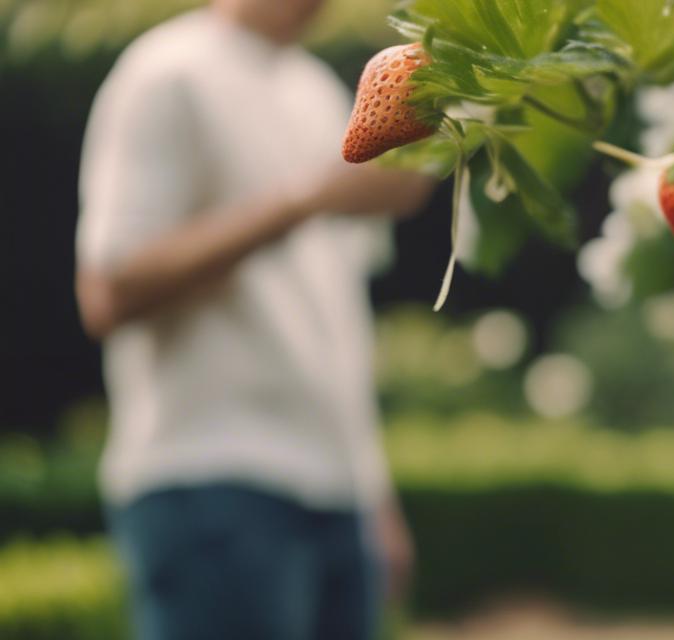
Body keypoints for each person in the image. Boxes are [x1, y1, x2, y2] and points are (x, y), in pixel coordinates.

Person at [73, 0, 435, 637]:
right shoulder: (167, 73)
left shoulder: (318, 90)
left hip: (334, 496)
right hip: (208, 480)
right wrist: (306, 199)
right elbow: (110, 288)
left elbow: (334, 313)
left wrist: (372, 496)